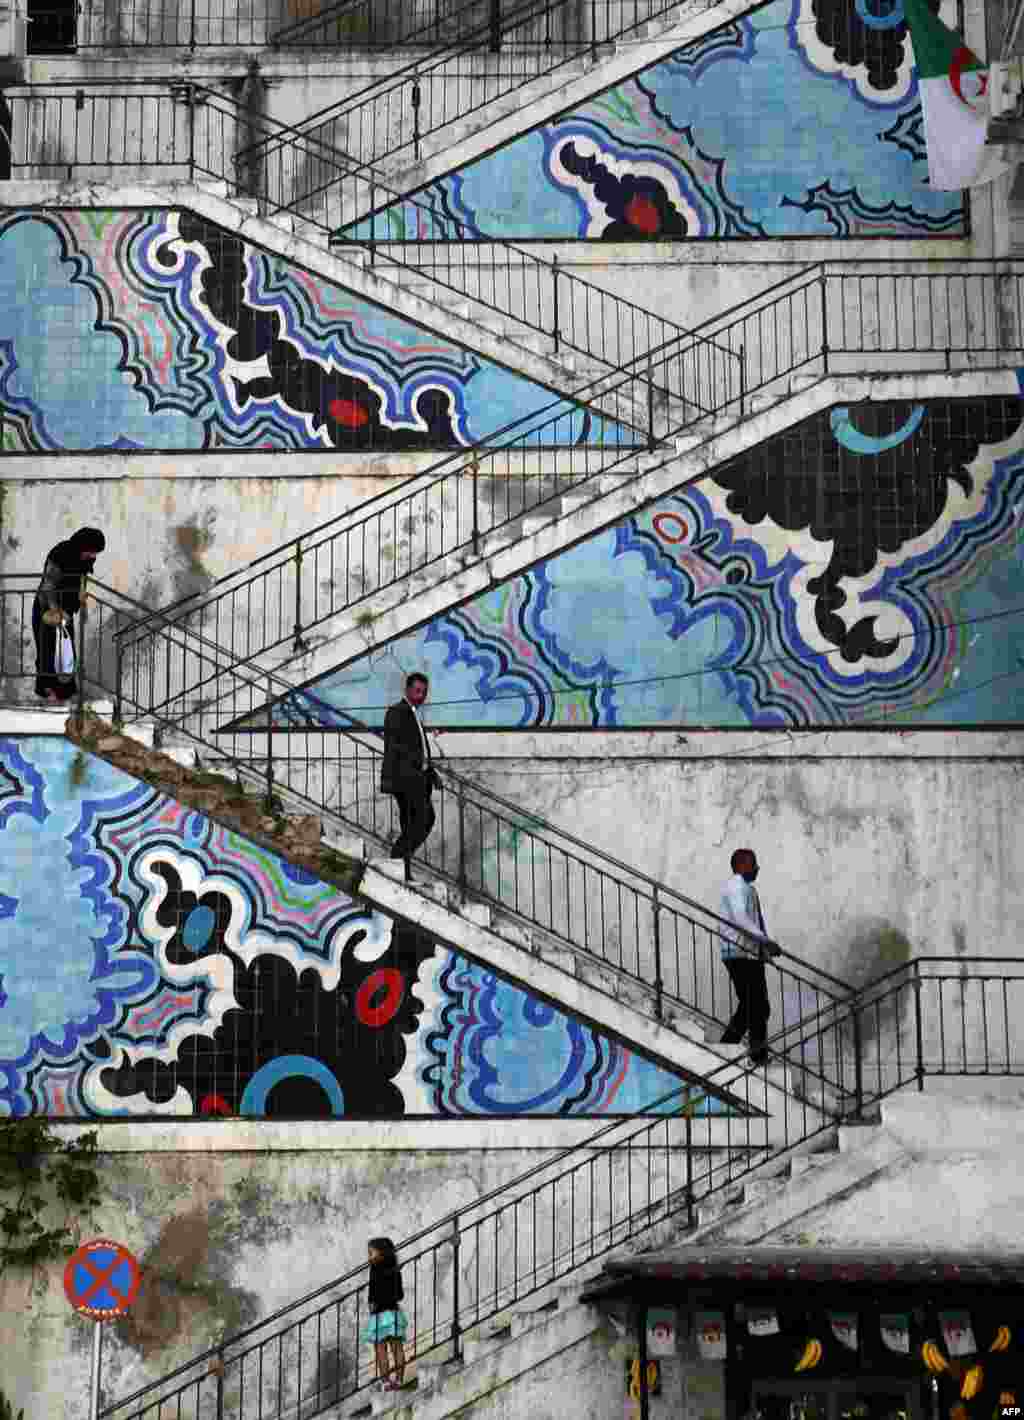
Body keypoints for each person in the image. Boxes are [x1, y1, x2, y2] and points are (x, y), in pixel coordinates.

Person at [718, 848, 781, 1066]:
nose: (757, 868)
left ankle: (729, 1046)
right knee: (755, 1005)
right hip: (737, 953)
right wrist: (765, 941)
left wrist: (764, 949)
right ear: (742, 865)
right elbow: (741, 919)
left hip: (749, 954)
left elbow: (756, 921)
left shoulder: (749, 890)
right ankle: (753, 1054)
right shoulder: (735, 886)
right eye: (754, 864)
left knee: (756, 1005)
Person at [31, 527, 106, 704]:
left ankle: (64, 695)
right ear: (83, 545)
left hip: (66, 613)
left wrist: (82, 604)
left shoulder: (85, 557)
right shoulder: (61, 553)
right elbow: (48, 585)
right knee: (47, 652)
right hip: (47, 609)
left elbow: (82, 579)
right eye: (92, 551)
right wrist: (55, 611)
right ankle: (49, 695)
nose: (93, 556)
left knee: (66, 654)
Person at [380, 672, 441, 878]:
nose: (421, 695)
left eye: (424, 692)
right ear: (407, 690)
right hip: (405, 780)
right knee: (421, 820)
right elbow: (392, 747)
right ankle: (397, 858)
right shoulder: (397, 712)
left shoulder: (413, 713)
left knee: (414, 824)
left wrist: (431, 774)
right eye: (417, 691)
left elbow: (420, 750)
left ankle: (402, 868)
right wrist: (389, 780)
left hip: (419, 779)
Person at [363, 1236, 407, 1392]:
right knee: (397, 1348)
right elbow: (400, 1294)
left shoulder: (374, 1269)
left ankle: (386, 1382)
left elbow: (372, 1296)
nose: (369, 1257)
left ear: (381, 1253)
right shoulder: (395, 1268)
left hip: (379, 1314)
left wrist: (372, 1306)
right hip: (394, 1312)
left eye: (371, 1253)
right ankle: (400, 1380)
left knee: (381, 1350)